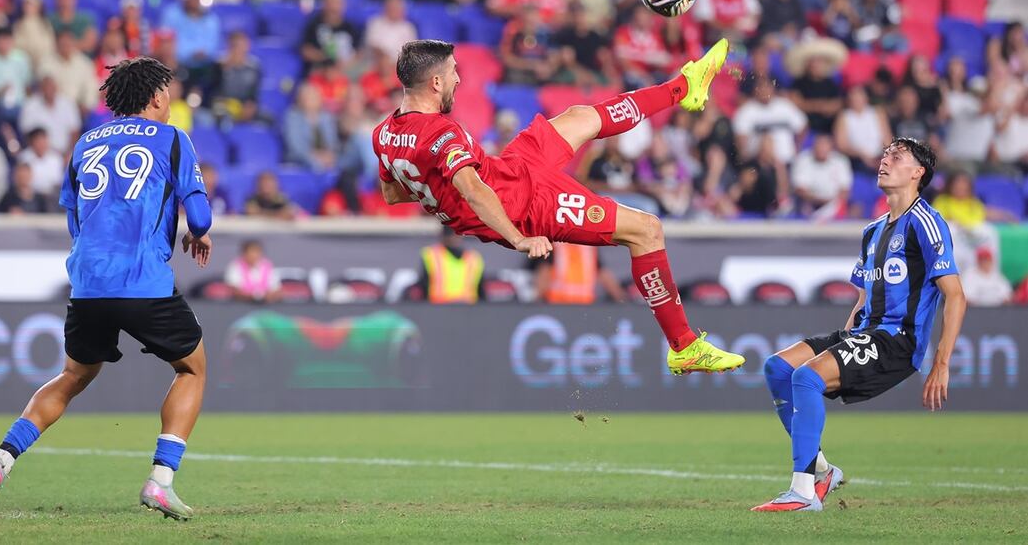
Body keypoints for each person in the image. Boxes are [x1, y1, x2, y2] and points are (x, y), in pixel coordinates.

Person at [373, 39, 744, 374]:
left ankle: (684, 87)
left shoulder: (385, 134)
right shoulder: (441, 132)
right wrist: (519, 238)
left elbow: (393, 194)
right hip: (526, 205)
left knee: (581, 116)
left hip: (509, 169)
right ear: (435, 82)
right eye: (453, 72)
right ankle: (684, 346)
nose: (458, 80)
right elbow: (472, 189)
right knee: (647, 230)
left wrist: (438, 195)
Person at [0, 57, 213, 521]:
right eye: (168, 91)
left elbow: (75, 221)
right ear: (158, 96)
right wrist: (197, 231)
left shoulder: (84, 143)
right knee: (192, 369)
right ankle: (160, 482)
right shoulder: (173, 138)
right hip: (143, 282)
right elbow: (199, 218)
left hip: (87, 283)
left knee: (73, 376)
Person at [752, 137, 966, 511]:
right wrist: (846, 337)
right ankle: (821, 470)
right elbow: (865, 296)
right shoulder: (873, 231)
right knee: (778, 367)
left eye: (897, 156)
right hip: (866, 333)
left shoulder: (927, 223)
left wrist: (941, 364)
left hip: (897, 341)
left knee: (806, 377)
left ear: (918, 173)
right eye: (885, 154)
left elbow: (956, 295)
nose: (885, 160)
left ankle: (803, 492)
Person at [534, 242, 626, 304]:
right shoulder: (588, 245)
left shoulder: (556, 244)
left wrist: (620, 297)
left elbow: (602, 272)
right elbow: (545, 272)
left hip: (577, 302)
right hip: (562, 301)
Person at [417, 228, 485, 303]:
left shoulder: (474, 258)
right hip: (439, 307)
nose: (452, 238)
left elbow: (481, 288)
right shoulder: (431, 254)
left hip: (467, 308)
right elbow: (424, 284)